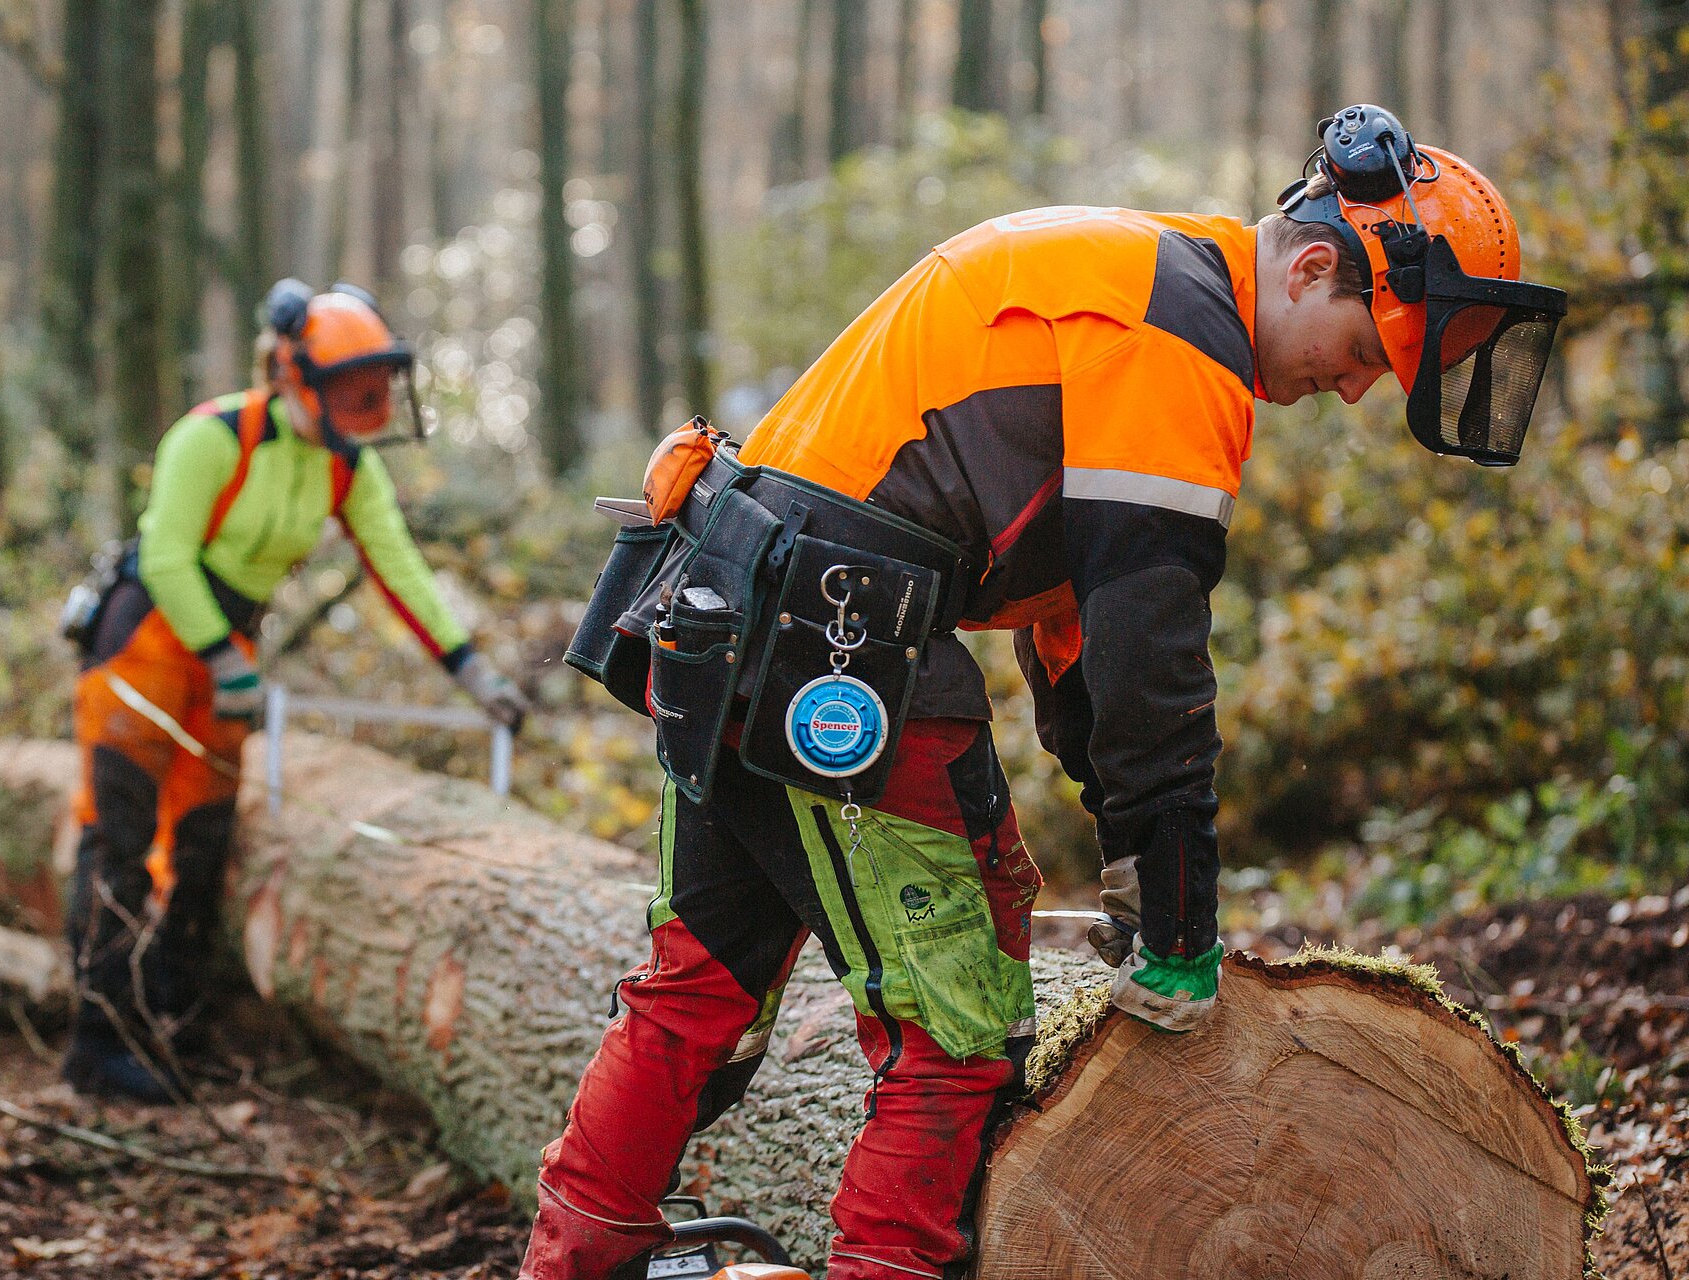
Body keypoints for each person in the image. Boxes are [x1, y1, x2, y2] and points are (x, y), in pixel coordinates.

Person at [531, 104, 1564, 1280]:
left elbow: (1076, 645)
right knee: (957, 1030)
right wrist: (1178, 918)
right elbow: (1149, 651)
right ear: (1314, 263)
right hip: (843, 633)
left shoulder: (1138, 275)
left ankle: (572, 1256)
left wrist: (1138, 870)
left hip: (734, 606)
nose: (1354, 389)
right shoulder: (1180, 332)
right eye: (1367, 351)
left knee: (695, 985)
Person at [63, 279, 529, 1103]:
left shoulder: (345, 465)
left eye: (377, 393)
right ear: (293, 376)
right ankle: (97, 1042)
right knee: (122, 837)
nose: (369, 408)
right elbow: (168, 556)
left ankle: (172, 1025)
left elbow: (398, 568)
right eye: (355, 392)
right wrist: (222, 657)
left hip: (227, 641)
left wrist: (470, 670)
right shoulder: (212, 437)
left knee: (203, 841)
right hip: (147, 639)